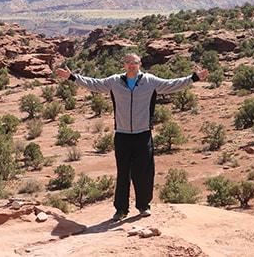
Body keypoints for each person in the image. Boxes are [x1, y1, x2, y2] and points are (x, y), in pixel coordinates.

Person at [55, 52, 208, 221]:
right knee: (123, 174)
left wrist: (194, 78)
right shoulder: (114, 81)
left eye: (134, 62)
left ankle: (143, 206)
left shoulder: (150, 81)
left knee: (144, 172)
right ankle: (121, 209)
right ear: (124, 64)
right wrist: (72, 78)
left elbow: (172, 84)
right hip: (122, 135)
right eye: (128, 62)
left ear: (140, 65)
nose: (131, 65)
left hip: (143, 134)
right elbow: (95, 84)